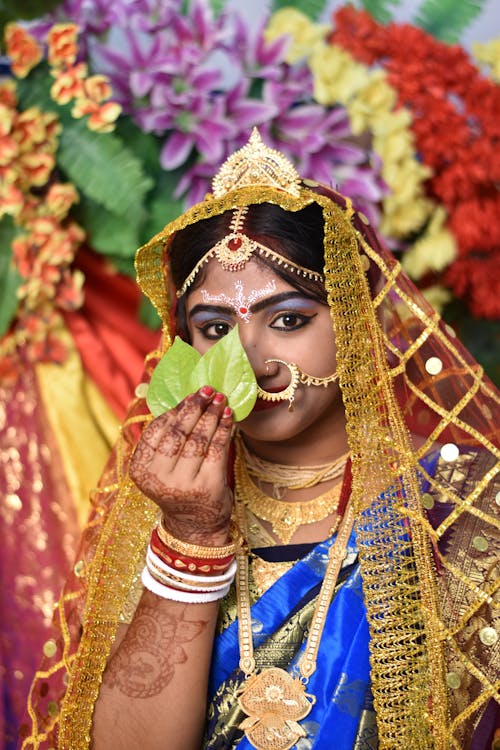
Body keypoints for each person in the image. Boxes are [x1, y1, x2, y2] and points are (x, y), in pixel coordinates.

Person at [22, 130, 499, 750]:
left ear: (359, 319)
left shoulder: (459, 504)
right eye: (215, 326)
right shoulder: (165, 501)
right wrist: (192, 537)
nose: (249, 362)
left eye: (290, 320)